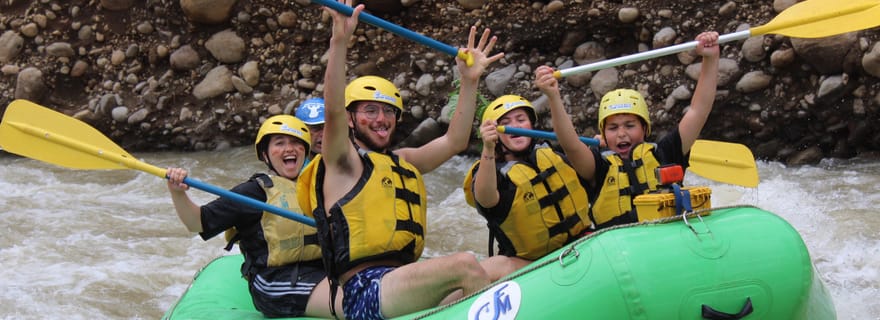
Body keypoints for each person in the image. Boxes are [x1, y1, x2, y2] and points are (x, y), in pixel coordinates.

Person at [295, 1, 504, 319]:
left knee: (497, 273)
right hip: (364, 292)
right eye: (370, 110)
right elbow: (333, 108)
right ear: (351, 119)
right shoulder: (342, 161)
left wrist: (469, 81)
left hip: (401, 282)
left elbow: (455, 141)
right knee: (464, 265)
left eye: (389, 111)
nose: (382, 119)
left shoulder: (401, 160)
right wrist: (340, 41)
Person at [534, 31, 720, 230]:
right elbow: (570, 144)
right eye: (613, 128)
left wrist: (710, 58)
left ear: (645, 128)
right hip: (619, 246)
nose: (621, 133)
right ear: (604, 134)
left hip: (667, 237)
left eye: (630, 125)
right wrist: (553, 96)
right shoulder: (598, 167)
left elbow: (698, 110)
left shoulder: (666, 152)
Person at [165, 115, 342, 318]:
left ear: (306, 151)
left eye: (295, 143)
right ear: (265, 155)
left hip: (321, 272)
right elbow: (197, 222)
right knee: (356, 301)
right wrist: (178, 193)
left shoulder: (319, 187)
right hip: (275, 282)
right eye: (280, 143)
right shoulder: (253, 193)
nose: (289, 149)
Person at [461, 94, 593, 281]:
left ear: (531, 125)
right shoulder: (495, 175)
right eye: (506, 122)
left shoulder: (554, 156)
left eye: (521, 120)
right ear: (496, 134)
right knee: (495, 266)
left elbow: (589, 165)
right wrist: (488, 148)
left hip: (582, 244)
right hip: (532, 264)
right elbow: (486, 198)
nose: (515, 125)